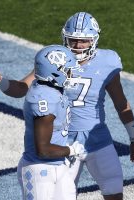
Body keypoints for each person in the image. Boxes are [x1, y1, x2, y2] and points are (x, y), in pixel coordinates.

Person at [0, 12, 134, 200]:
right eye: (73, 40)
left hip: (97, 137)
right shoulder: (56, 58)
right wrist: (2, 82)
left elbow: (121, 103)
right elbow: (21, 88)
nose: (78, 45)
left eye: (84, 41)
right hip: (63, 141)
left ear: (94, 39)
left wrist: (133, 138)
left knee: (114, 191)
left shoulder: (107, 61)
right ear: (65, 38)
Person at [16, 45, 85, 200]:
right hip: (39, 169)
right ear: (54, 72)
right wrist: (71, 150)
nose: (71, 74)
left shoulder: (51, 89)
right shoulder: (44, 99)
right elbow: (44, 150)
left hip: (58, 165)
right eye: (67, 70)